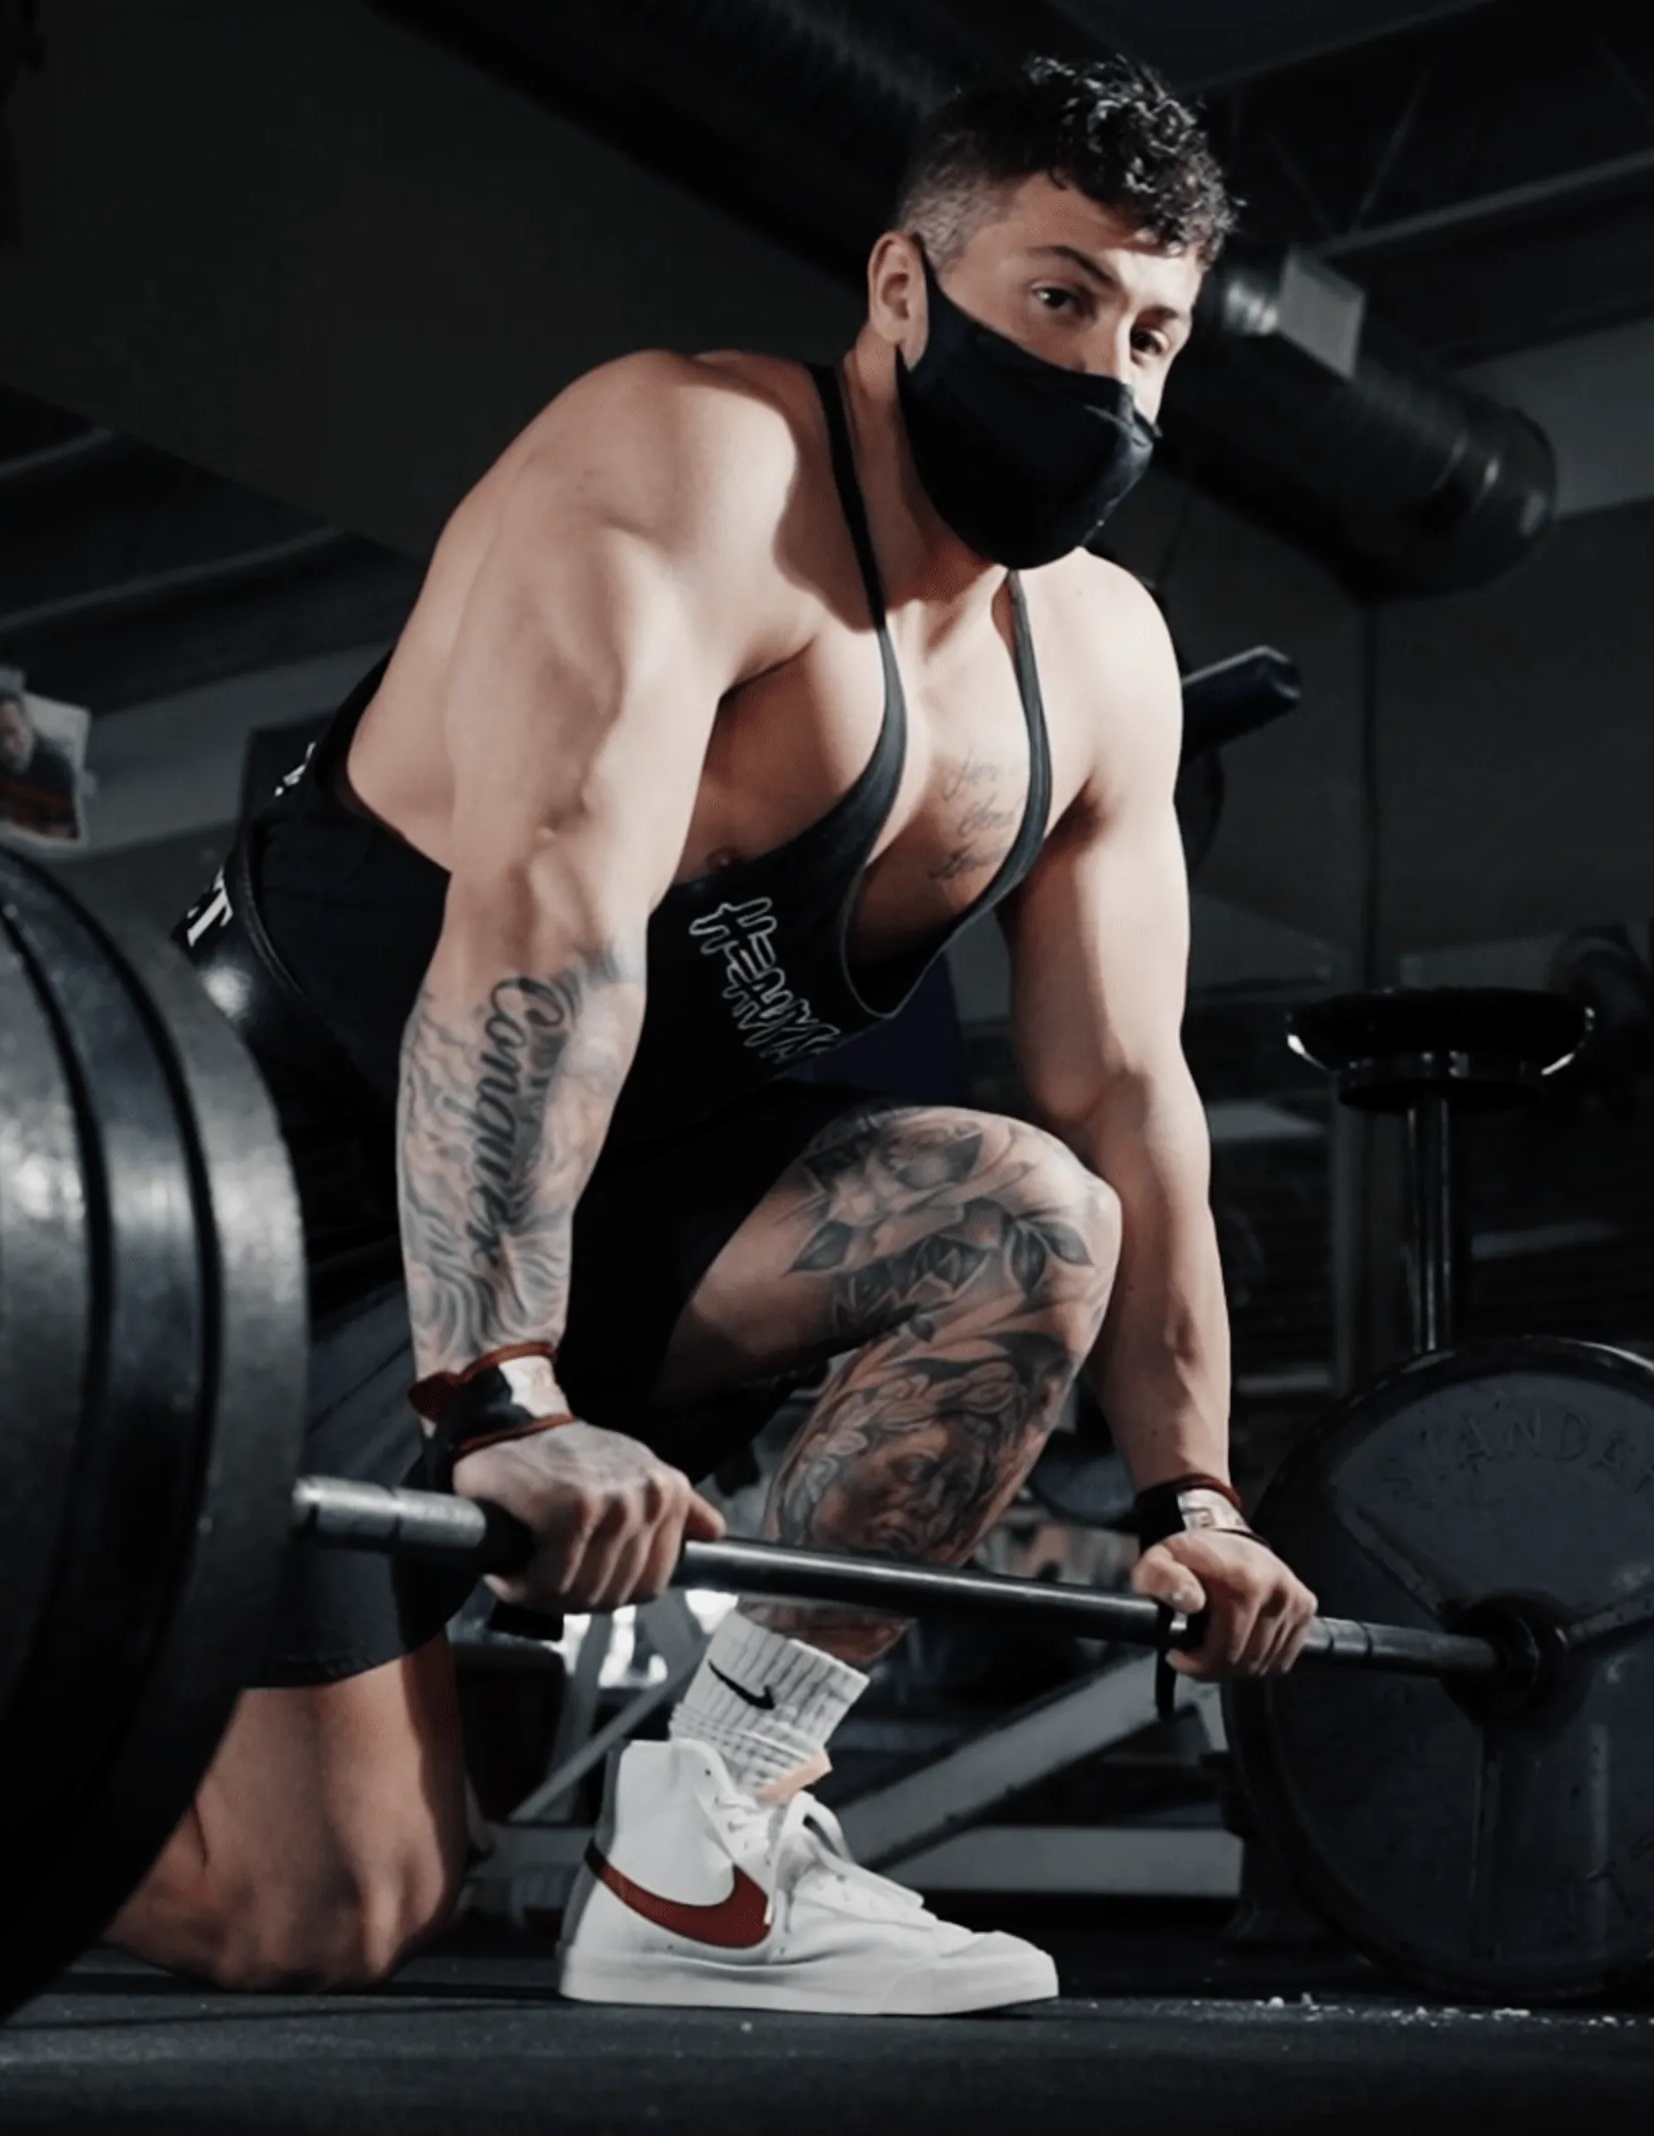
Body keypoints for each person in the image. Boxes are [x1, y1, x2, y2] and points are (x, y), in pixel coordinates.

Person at [131, 56, 1314, 2017]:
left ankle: (711, 1856)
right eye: (1058, 296)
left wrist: (1192, 1501)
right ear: (903, 291)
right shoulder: (690, 467)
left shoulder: (1096, 658)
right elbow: (542, 930)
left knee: (1020, 1211)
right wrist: (499, 1393)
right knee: (324, 1915)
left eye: (1153, 330)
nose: (1108, 374)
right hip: (286, 1198)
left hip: (626, 1215)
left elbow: (1119, 1093)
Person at [0, 690, 82, 839]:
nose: (6, 746)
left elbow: (62, 833)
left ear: (28, 724)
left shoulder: (58, 767)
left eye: (12, 731)